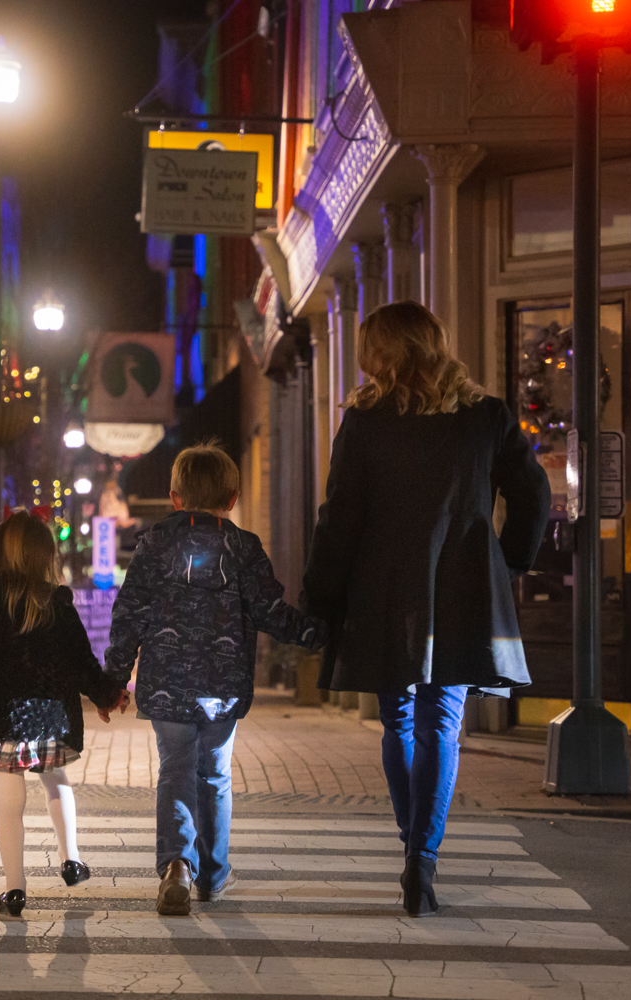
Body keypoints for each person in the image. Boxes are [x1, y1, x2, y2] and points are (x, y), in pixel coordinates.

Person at [302, 300, 550, 918]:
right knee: (444, 720)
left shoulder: (365, 421)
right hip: (466, 584)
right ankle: (423, 859)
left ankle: (410, 847)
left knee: (399, 721)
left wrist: (323, 594)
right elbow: (533, 493)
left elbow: (341, 517)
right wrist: (510, 560)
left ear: (379, 354)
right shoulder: (486, 416)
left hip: (386, 590)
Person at [106, 445, 327, 916]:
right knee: (215, 774)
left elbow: (129, 615)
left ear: (174, 496)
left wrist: (114, 678)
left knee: (175, 769)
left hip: (165, 684)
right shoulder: (243, 547)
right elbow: (269, 612)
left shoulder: (153, 544)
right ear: (232, 498)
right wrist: (320, 634)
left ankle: (175, 867)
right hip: (222, 687)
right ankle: (211, 875)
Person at [0, 509, 124, 916]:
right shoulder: (55, 606)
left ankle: (15, 888)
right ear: (45, 558)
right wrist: (107, 695)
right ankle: (71, 858)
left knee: (9, 800)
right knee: (56, 779)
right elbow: (82, 665)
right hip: (46, 716)